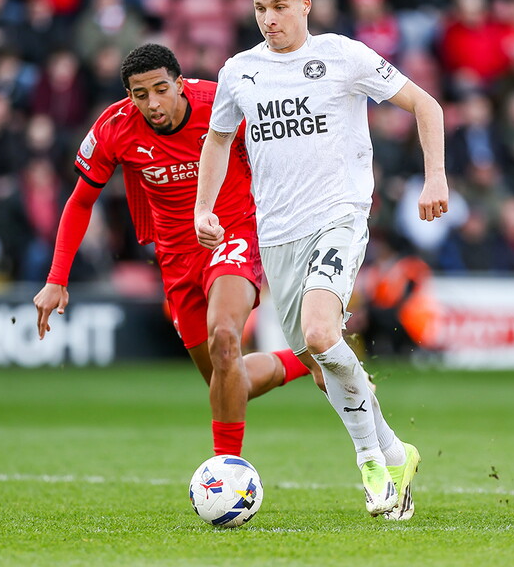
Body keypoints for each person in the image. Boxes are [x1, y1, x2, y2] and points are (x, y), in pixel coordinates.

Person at [195, 0, 449, 520]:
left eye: (280, 7)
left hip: (339, 216)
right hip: (276, 235)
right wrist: (203, 208)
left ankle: (372, 467)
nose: (269, 19)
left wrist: (435, 176)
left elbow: (425, 105)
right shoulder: (240, 70)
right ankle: (393, 450)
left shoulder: (343, 56)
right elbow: (216, 140)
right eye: (260, 9)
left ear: (305, 4)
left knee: (318, 329)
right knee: (318, 357)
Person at [33, 43, 311, 458]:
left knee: (224, 336)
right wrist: (56, 279)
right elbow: (80, 202)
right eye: (140, 95)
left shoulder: (222, 104)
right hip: (177, 259)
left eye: (161, 89)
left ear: (180, 84)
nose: (152, 103)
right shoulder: (115, 127)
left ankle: (226, 470)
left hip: (231, 234)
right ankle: (311, 359)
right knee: (228, 380)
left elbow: (284, 159)